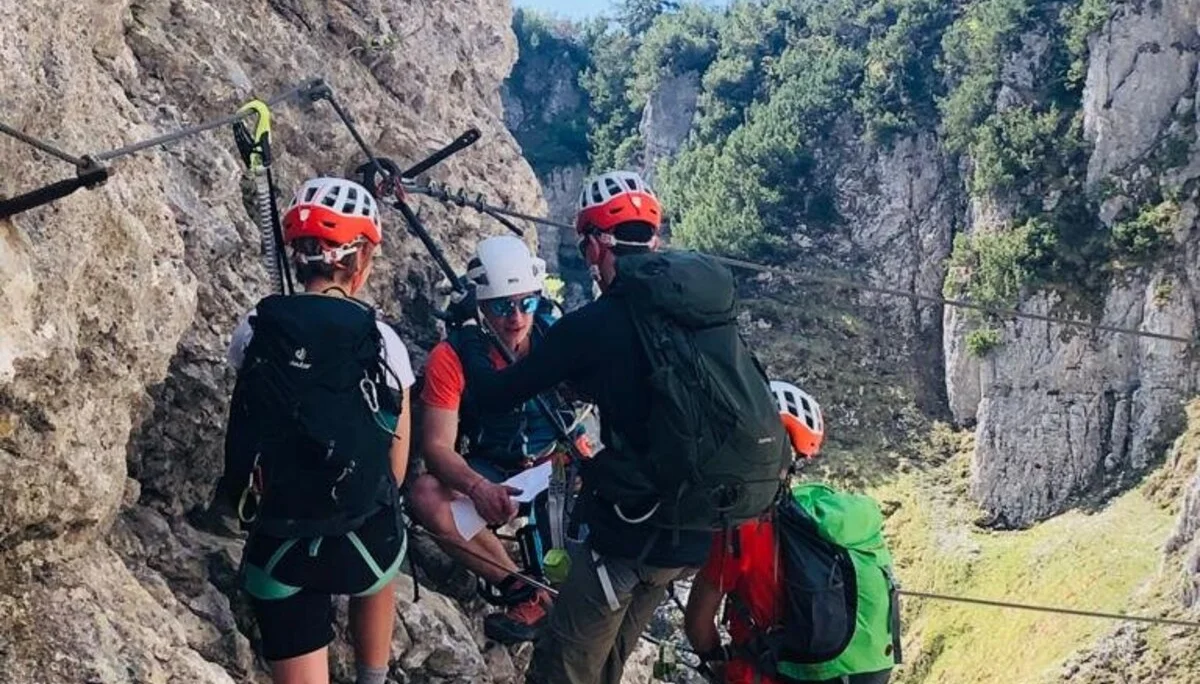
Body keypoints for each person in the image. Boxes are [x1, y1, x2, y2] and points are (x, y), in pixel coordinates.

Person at [454, 171, 757, 684]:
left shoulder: (591, 326)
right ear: (653, 240)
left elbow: (495, 393)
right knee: (606, 670)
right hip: (695, 529)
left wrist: (466, 340)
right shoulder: (698, 314)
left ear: (595, 247)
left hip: (629, 533)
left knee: (563, 670)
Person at [221, 177, 415, 684]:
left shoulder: (254, 329)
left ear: (298, 255)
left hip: (281, 542)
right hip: (365, 545)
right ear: (363, 260)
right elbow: (394, 469)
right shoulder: (384, 342)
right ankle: (372, 676)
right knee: (385, 533)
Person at [408, 235, 586, 644]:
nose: (517, 317)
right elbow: (437, 446)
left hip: (554, 459)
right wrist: (477, 487)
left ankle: (577, 594)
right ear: (482, 307)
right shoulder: (450, 357)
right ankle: (523, 592)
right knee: (425, 494)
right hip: (491, 467)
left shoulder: (555, 338)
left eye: (527, 303)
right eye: (503, 306)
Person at [685, 381, 898, 684]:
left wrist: (718, 663)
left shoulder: (741, 530)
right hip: (857, 668)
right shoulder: (818, 518)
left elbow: (697, 624)